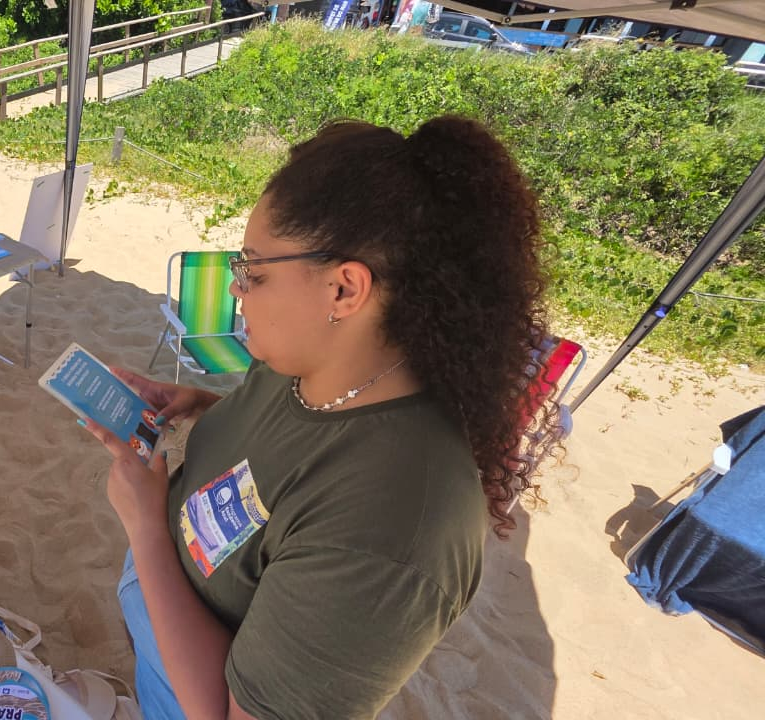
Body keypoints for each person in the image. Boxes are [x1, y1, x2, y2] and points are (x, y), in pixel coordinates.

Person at [81, 115, 557, 719]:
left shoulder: (391, 534)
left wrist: (147, 530)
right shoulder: (311, 361)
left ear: (344, 290)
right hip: (170, 610)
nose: (236, 290)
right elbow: (293, 437)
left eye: (252, 272)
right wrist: (200, 405)